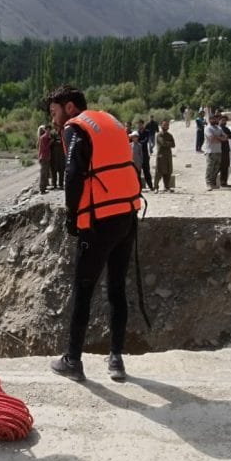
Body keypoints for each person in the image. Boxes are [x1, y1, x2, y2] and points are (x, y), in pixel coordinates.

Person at [47, 84, 142, 383]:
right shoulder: (110, 122)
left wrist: (72, 218)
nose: (54, 120)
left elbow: (73, 174)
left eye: (54, 112)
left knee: (83, 291)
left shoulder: (75, 128)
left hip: (99, 220)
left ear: (70, 107)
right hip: (126, 215)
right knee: (116, 289)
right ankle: (116, 360)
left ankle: (73, 360)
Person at [203, 110, 228, 191]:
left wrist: (218, 138)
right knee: (210, 168)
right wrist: (220, 138)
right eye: (212, 119)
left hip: (218, 151)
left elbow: (225, 138)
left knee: (216, 168)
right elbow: (211, 139)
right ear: (209, 120)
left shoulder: (218, 128)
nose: (214, 120)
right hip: (210, 151)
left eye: (215, 119)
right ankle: (208, 183)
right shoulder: (207, 128)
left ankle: (213, 183)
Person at [153, 120, 175, 192]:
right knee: (159, 172)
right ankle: (156, 187)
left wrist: (168, 143)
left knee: (168, 171)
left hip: (168, 156)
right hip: (161, 156)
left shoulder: (169, 135)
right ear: (161, 125)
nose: (166, 126)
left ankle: (167, 187)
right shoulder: (159, 135)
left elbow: (173, 145)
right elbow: (163, 143)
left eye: (167, 125)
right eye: (164, 125)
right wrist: (169, 143)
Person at [136, 119, 154, 190]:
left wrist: (139, 142)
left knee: (146, 171)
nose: (139, 125)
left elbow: (145, 141)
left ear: (143, 124)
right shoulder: (136, 133)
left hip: (145, 154)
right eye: (138, 124)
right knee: (138, 172)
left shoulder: (147, 132)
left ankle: (151, 186)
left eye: (140, 124)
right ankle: (139, 188)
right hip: (138, 155)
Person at [218, 114, 231, 188]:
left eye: (225, 120)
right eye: (222, 120)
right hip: (218, 150)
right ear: (219, 120)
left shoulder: (226, 128)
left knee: (225, 166)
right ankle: (215, 182)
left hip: (226, 150)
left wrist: (226, 136)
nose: (224, 122)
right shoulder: (217, 128)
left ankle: (224, 182)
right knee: (217, 167)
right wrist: (223, 137)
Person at [37, 124, 51, 194]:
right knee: (43, 173)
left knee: (45, 173)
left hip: (47, 157)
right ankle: (42, 189)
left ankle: (44, 188)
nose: (48, 131)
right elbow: (44, 148)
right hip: (43, 157)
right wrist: (50, 143)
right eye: (47, 130)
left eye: (49, 130)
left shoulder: (47, 137)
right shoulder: (43, 138)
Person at [49, 125, 65, 189]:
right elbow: (49, 143)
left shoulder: (63, 132)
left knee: (61, 170)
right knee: (53, 170)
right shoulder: (52, 133)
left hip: (62, 155)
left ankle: (61, 184)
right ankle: (54, 184)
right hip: (53, 155)